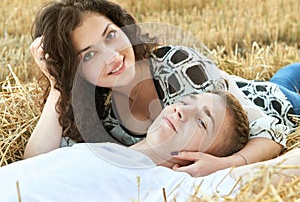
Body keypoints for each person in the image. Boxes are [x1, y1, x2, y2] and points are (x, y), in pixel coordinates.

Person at [24, 0, 299, 177]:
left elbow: (269, 130)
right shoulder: (100, 115)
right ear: (76, 71)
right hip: (261, 85)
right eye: (90, 55)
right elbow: (35, 166)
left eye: (110, 36)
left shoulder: (177, 66)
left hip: (278, 101)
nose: (113, 57)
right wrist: (58, 85)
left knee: (286, 78)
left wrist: (223, 166)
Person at [0, 95, 298, 200]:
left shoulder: (170, 186)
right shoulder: (94, 146)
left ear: (203, 158)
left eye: (203, 122)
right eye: (185, 102)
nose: (182, 111)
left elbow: (283, 169)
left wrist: (230, 163)